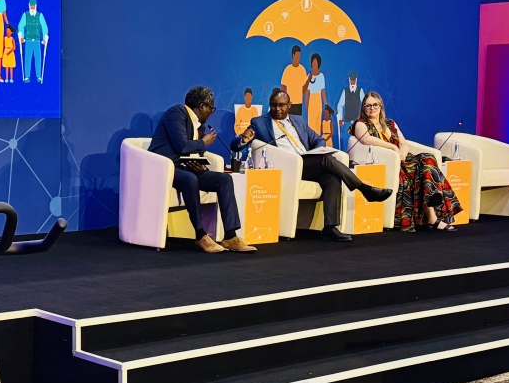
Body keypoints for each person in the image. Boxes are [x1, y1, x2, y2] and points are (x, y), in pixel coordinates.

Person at [233, 88, 392, 242]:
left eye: (281, 105)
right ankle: (365, 189)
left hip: (307, 162)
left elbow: (318, 139)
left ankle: (330, 228)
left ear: (289, 105)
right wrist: (243, 140)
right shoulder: (259, 123)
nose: (277, 109)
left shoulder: (298, 121)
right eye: (273, 105)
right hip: (287, 166)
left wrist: (315, 152)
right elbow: (235, 145)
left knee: (331, 177)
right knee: (326, 160)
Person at [148, 85, 256, 254]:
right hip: (164, 167)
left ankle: (230, 236)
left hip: (185, 167)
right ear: (201, 106)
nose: (211, 112)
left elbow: (194, 151)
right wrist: (204, 142)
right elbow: (182, 146)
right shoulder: (176, 113)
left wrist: (200, 164)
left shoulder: (199, 125)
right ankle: (200, 236)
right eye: (211, 108)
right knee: (190, 179)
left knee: (224, 179)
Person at [351, 91, 462, 232]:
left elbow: (403, 143)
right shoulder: (360, 124)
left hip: (402, 159)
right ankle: (433, 216)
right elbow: (366, 139)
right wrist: (392, 147)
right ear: (363, 108)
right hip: (386, 162)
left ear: (381, 107)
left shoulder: (390, 123)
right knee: (420, 170)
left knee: (428, 159)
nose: (371, 108)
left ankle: (433, 199)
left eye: (375, 105)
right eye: (368, 105)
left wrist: (402, 155)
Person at [18, 0, 49, 83]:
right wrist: (21, 37)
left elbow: (44, 27)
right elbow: (21, 26)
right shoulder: (25, 15)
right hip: (28, 41)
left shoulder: (40, 15)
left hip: (37, 41)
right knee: (27, 58)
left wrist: (44, 38)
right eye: (31, 6)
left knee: (38, 59)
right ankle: (27, 76)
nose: (32, 8)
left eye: (33, 6)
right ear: (29, 6)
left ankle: (39, 76)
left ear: (36, 6)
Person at [280, 45, 307, 116]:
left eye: (299, 55)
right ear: (293, 55)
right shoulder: (287, 70)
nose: (298, 57)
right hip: (289, 103)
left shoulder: (302, 70)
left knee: (297, 123)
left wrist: (309, 79)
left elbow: (304, 90)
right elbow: (283, 88)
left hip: (299, 103)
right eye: (297, 55)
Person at [336, 71, 363, 140]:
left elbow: (364, 104)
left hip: (357, 122)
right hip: (347, 121)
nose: (352, 82)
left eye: (354, 80)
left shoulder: (360, 91)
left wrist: (362, 118)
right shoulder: (345, 91)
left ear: (356, 80)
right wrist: (340, 119)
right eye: (351, 80)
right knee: (346, 141)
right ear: (349, 80)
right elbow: (340, 105)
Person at [305, 53, 326, 132]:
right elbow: (307, 94)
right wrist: (307, 107)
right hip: (312, 100)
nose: (314, 65)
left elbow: (323, 92)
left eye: (316, 63)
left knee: (318, 123)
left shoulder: (321, 76)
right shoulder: (309, 76)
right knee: (311, 123)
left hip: (318, 101)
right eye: (313, 63)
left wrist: (326, 104)